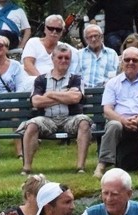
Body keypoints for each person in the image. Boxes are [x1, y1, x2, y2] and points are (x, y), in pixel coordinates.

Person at [20, 44, 91, 175]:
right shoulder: (41, 79)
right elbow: (36, 101)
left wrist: (50, 94)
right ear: (53, 59)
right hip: (47, 119)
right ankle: (27, 167)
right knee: (31, 125)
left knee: (84, 122)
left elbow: (75, 98)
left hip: (71, 118)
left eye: (67, 58)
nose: (64, 61)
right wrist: (65, 95)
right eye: (60, 57)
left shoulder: (76, 78)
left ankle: (80, 167)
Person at [94, 47, 138, 178]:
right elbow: (107, 109)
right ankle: (101, 166)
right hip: (118, 122)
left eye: (135, 60)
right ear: (122, 63)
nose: (131, 62)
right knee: (114, 125)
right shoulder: (112, 83)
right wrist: (123, 120)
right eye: (127, 60)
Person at [21, 15, 78, 82]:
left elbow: (81, 55)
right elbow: (28, 66)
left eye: (58, 30)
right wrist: (43, 82)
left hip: (57, 85)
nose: (54, 32)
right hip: (34, 83)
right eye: (50, 28)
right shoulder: (33, 42)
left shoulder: (64, 48)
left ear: (62, 32)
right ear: (45, 29)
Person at [76, 24, 119, 88]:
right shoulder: (79, 54)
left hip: (105, 93)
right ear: (86, 39)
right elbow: (74, 76)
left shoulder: (112, 54)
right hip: (84, 93)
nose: (93, 39)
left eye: (96, 36)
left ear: (101, 37)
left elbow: (118, 75)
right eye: (90, 37)